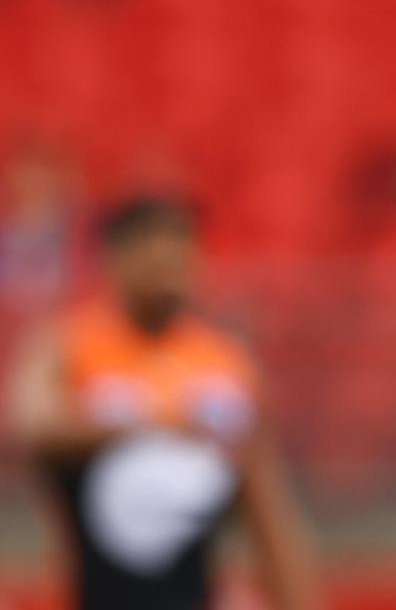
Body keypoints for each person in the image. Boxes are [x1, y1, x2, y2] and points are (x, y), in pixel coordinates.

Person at [8, 196, 318, 610]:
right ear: (111, 257)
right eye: (147, 243)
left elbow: (266, 504)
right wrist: (158, 425)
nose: (165, 259)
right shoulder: (69, 347)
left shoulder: (225, 364)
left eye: (178, 243)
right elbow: (33, 425)